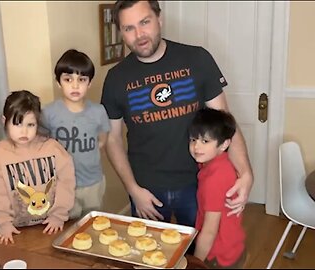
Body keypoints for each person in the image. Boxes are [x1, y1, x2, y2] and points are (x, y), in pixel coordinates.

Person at [101, 0, 253, 227]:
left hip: (200, 181)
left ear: (159, 19)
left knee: (198, 256)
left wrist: (245, 172)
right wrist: (133, 190)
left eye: (145, 22)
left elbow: (225, 121)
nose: (139, 34)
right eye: (128, 28)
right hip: (146, 190)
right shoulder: (115, 79)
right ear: (121, 32)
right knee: (149, 257)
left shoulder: (197, 59)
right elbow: (112, 139)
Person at [0, 90, 76, 245]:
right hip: (17, 231)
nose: (24, 131)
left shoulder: (53, 148)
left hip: (52, 225)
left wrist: (59, 215)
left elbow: (66, 182)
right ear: (4, 121)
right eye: (17, 124)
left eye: (30, 124)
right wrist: (4, 223)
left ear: (37, 123)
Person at [43, 49, 111, 219]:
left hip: (93, 183)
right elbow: (41, 147)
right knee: (67, 228)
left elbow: (102, 141)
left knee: (93, 226)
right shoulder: (49, 113)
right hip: (63, 185)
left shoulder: (98, 111)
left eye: (81, 80)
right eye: (68, 79)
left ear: (89, 83)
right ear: (59, 82)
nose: (75, 85)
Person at [189, 108, 246, 268]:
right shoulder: (221, 162)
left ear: (224, 144)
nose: (196, 147)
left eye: (205, 141)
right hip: (232, 246)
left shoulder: (215, 178)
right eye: (193, 139)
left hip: (218, 256)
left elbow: (209, 231)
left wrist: (195, 263)